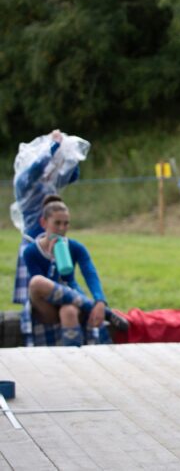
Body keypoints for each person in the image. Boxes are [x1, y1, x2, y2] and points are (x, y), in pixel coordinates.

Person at [22, 201, 128, 347]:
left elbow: (90, 273)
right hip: (45, 303)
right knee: (36, 283)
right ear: (44, 222)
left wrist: (100, 300)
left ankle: (73, 360)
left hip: (71, 297)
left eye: (66, 224)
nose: (61, 228)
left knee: (69, 312)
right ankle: (102, 311)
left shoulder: (75, 247)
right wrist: (53, 260)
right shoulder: (31, 252)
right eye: (57, 223)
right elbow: (44, 287)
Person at [11, 130, 88, 306]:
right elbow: (36, 168)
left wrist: (71, 153)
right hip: (33, 243)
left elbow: (72, 175)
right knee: (34, 299)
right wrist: (55, 145)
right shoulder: (23, 182)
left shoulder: (47, 182)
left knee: (60, 295)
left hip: (55, 244)